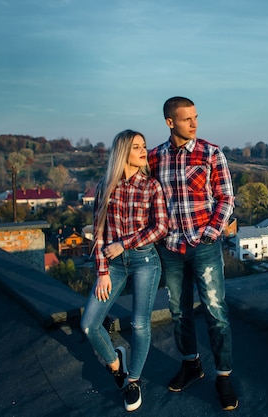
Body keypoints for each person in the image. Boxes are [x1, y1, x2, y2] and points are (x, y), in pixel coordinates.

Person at [148, 96, 238, 411]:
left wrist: (210, 235)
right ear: (170, 122)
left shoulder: (211, 153)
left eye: (196, 117)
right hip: (170, 249)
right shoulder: (155, 158)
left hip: (204, 246)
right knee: (178, 311)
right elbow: (146, 200)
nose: (194, 124)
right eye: (187, 119)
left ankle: (223, 376)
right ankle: (191, 364)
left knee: (215, 311)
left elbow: (226, 199)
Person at [81, 129, 168, 412]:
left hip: (144, 261)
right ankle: (116, 363)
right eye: (136, 147)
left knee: (139, 324)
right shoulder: (106, 186)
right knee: (89, 325)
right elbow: (99, 232)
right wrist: (102, 271)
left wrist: (124, 244)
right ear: (123, 153)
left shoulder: (152, 186)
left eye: (144, 146)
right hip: (113, 266)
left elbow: (160, 228)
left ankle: (133, 381)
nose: (144, 151)